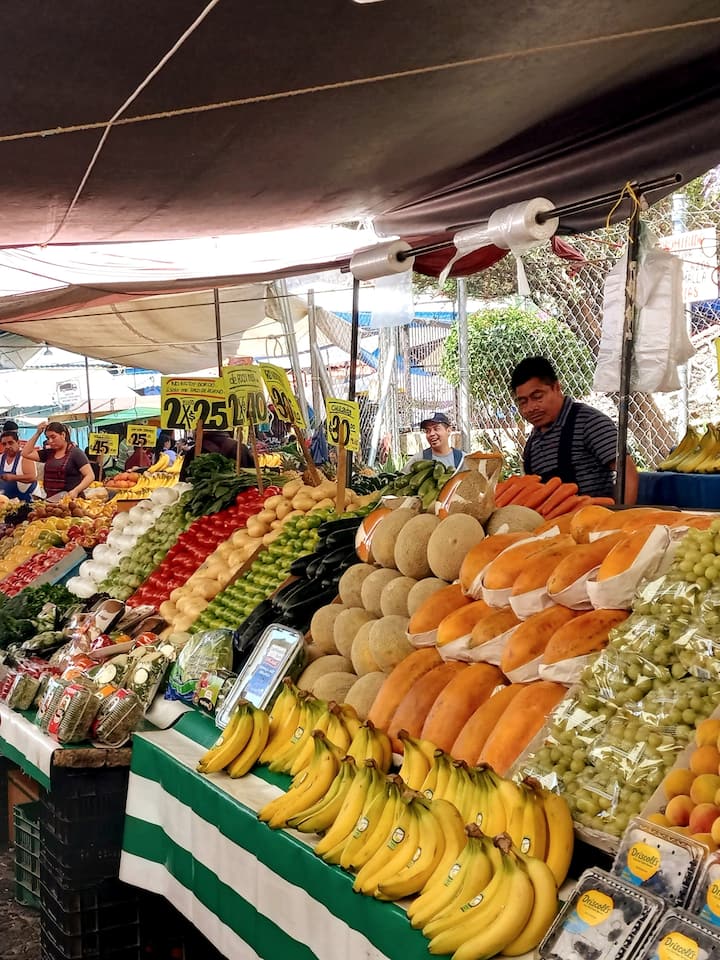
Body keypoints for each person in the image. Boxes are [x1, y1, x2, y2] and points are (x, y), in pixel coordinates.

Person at [510, 356, 638, 503]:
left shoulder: (589, 422)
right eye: (523, 402)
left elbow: (628, 473)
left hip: (596, 514)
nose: (531, 408)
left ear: (557, 388)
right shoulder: (533, 442)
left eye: (537, 397)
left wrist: (622, 513)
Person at [21, 421, 95, 500]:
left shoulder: (76, 453)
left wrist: (76, 491)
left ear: (63, 435)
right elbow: (25, 453)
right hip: (51, 500)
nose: (50, 441)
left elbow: (90, 476)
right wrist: (38, 433)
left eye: (53, 437)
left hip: (72, 500)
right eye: (47, 438)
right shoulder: (48, 453)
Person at [0, 431, 38, 502]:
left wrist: (13, 477)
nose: (7, 446)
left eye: (10, 443)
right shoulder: (1, 458)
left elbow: (32, 477)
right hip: (9, 501)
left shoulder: (25, 457)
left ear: (18, 443)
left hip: (29, 499)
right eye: (4, 444)